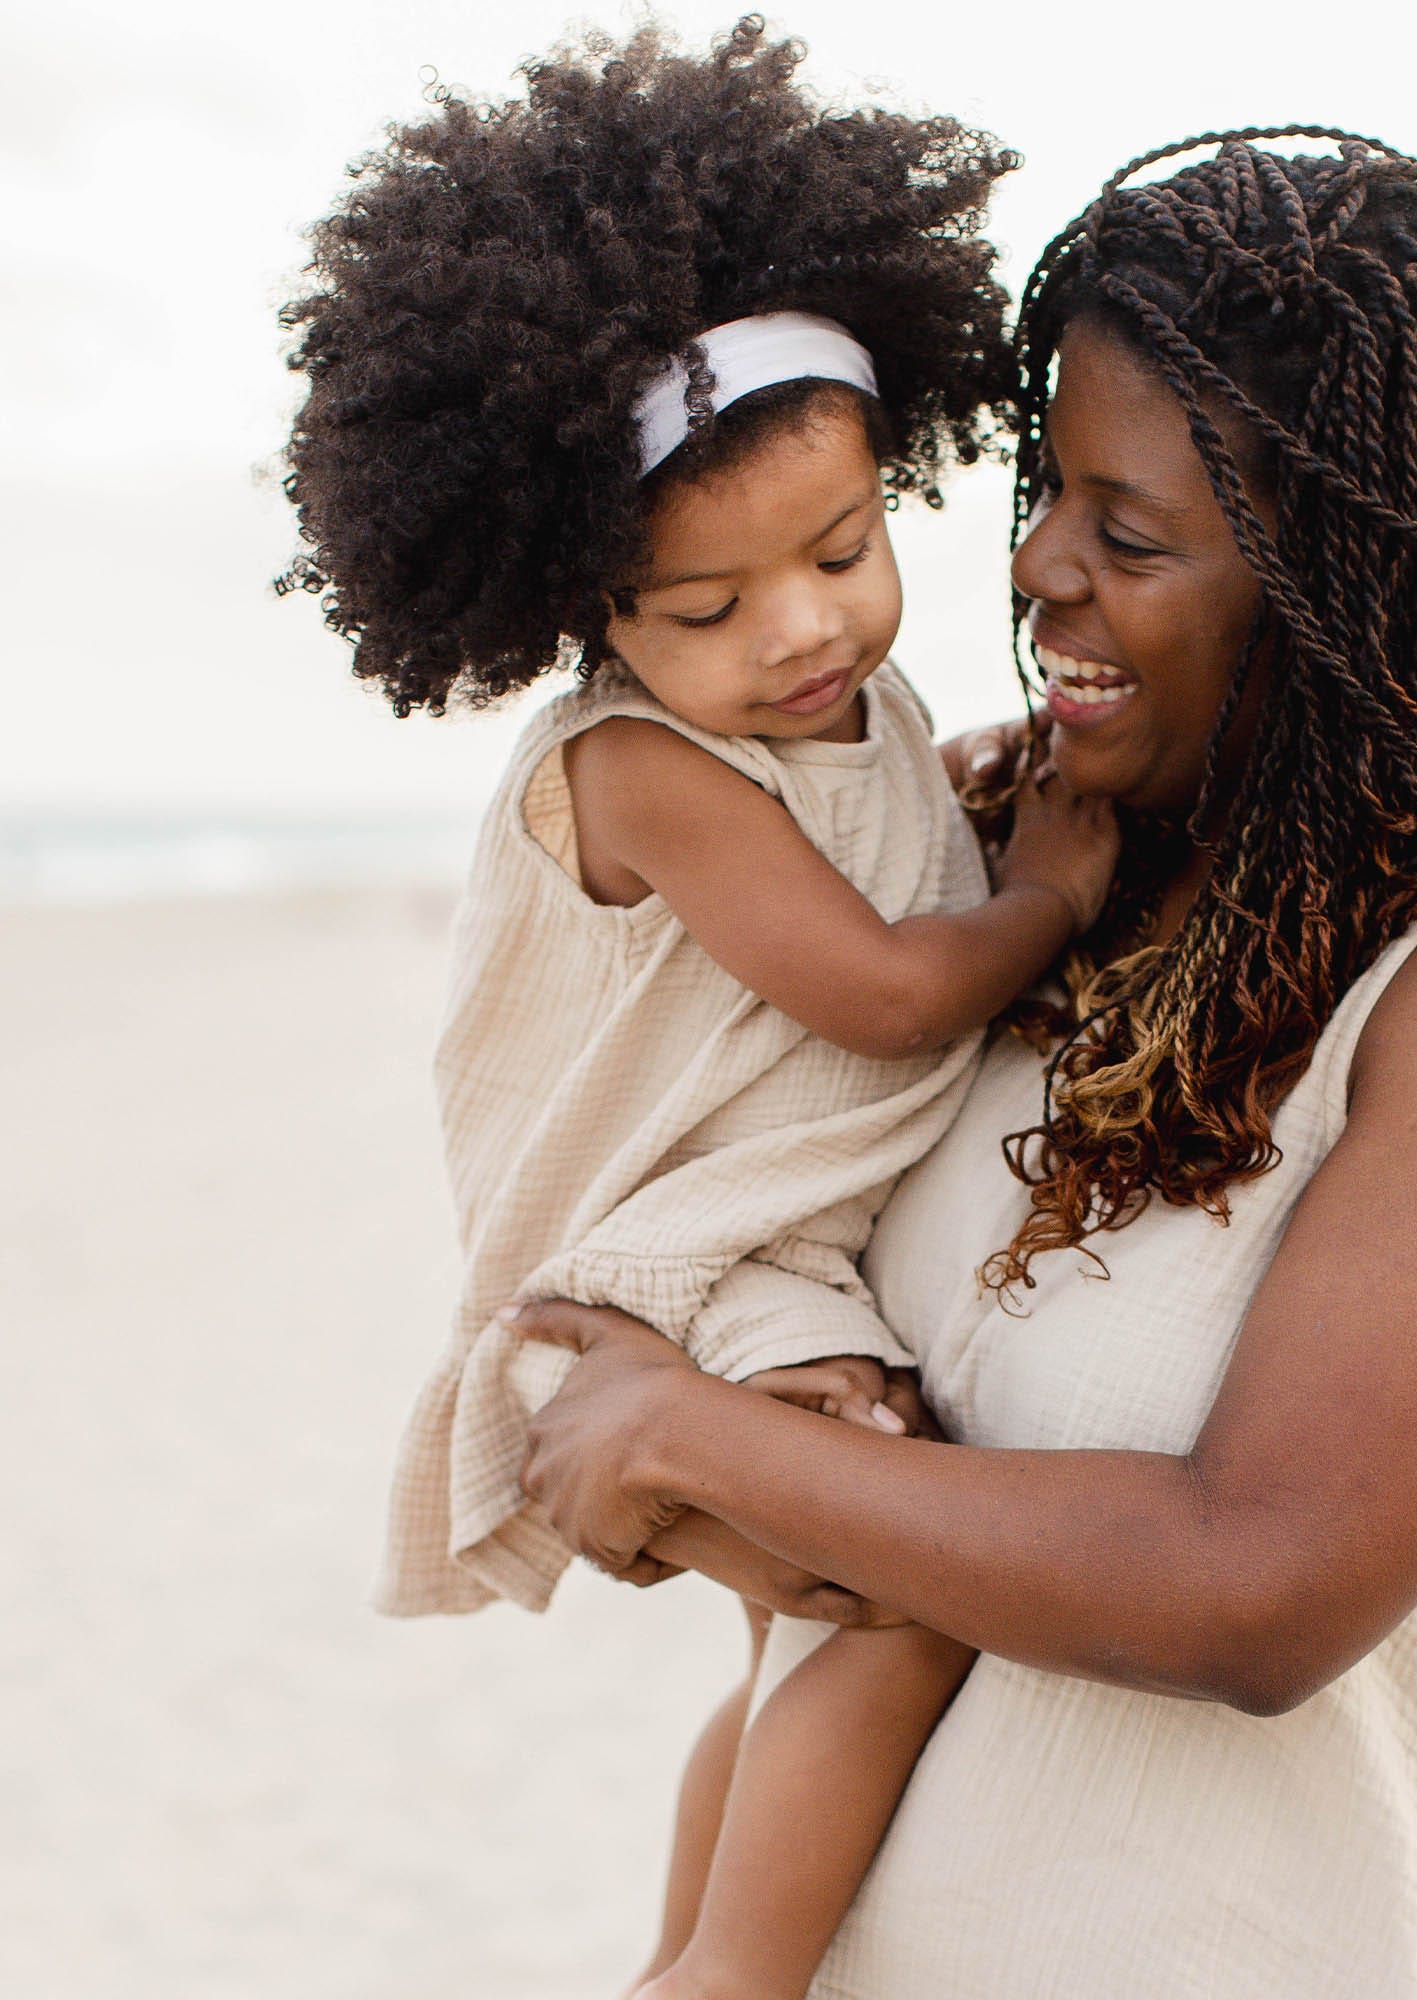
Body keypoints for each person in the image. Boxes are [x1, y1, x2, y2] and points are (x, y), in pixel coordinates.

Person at [512, 129, 1417, 2000]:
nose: (1043, 563)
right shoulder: (1017, 851)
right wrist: (681, 1424)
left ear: (1355, 590)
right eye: (1049, 492)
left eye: (1129, 534)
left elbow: (1253, 1586)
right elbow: (730, 1220)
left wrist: (686, 1433)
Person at [276, 23, 1117, 2000]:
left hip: (765, 1246)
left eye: (841, 551)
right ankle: (726, 1981)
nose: (803, 630)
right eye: (711, 608)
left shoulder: (834, 708)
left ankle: (679, 1958)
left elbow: (894, 830)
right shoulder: (645, 772)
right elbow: (891, 986)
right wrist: (1064, 887)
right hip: (688, 1266)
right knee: (892, 1598)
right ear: (592, 621)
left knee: (794, 1643)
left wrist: (994, 780)